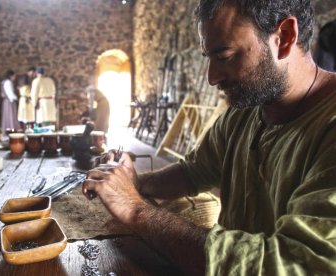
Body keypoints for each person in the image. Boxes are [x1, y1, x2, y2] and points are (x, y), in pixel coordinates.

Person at [82, 0, 336, 275]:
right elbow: (194, 172)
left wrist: (134, 209)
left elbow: (294, 264)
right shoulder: (245, 113)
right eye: (209, 58)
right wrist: (136, 183)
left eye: (225, 56)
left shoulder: (327, 126)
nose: (212, 77)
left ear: (284, 37)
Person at [1, 69, 20, 135]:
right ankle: (11, 130)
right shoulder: (8, 82)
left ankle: (10, 130)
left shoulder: (5, 82)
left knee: (10, 116)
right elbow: (10, 93)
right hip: (9, 101)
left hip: (8, 101)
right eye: (14, 76)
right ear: (10, 76)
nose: (14, 78)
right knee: (10, 116)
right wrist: (16, 98)